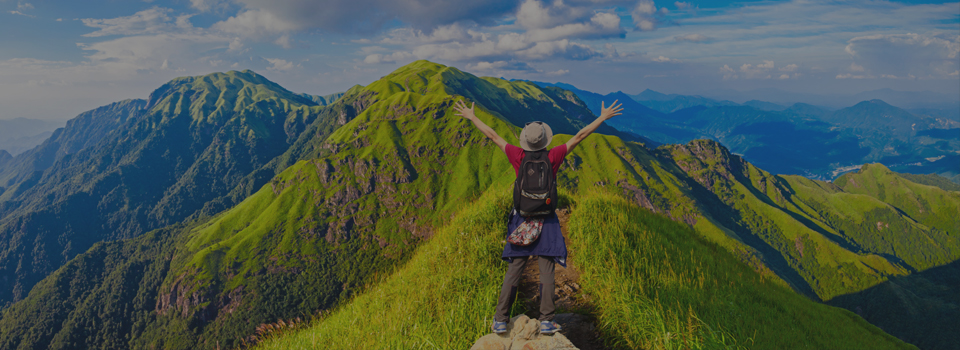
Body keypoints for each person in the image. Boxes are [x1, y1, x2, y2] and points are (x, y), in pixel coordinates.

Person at [453, 98, 623, 335]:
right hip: (547, 219)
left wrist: (472, 117)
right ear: (545, 140)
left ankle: (501, 319)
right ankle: (546, 321)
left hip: (522, 219)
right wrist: (602, 118)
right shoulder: (553, 157)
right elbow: (579, 136)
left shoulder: (517, 155)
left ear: (525, 141)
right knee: (547, 271)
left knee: (515, 269)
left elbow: (493, 136)